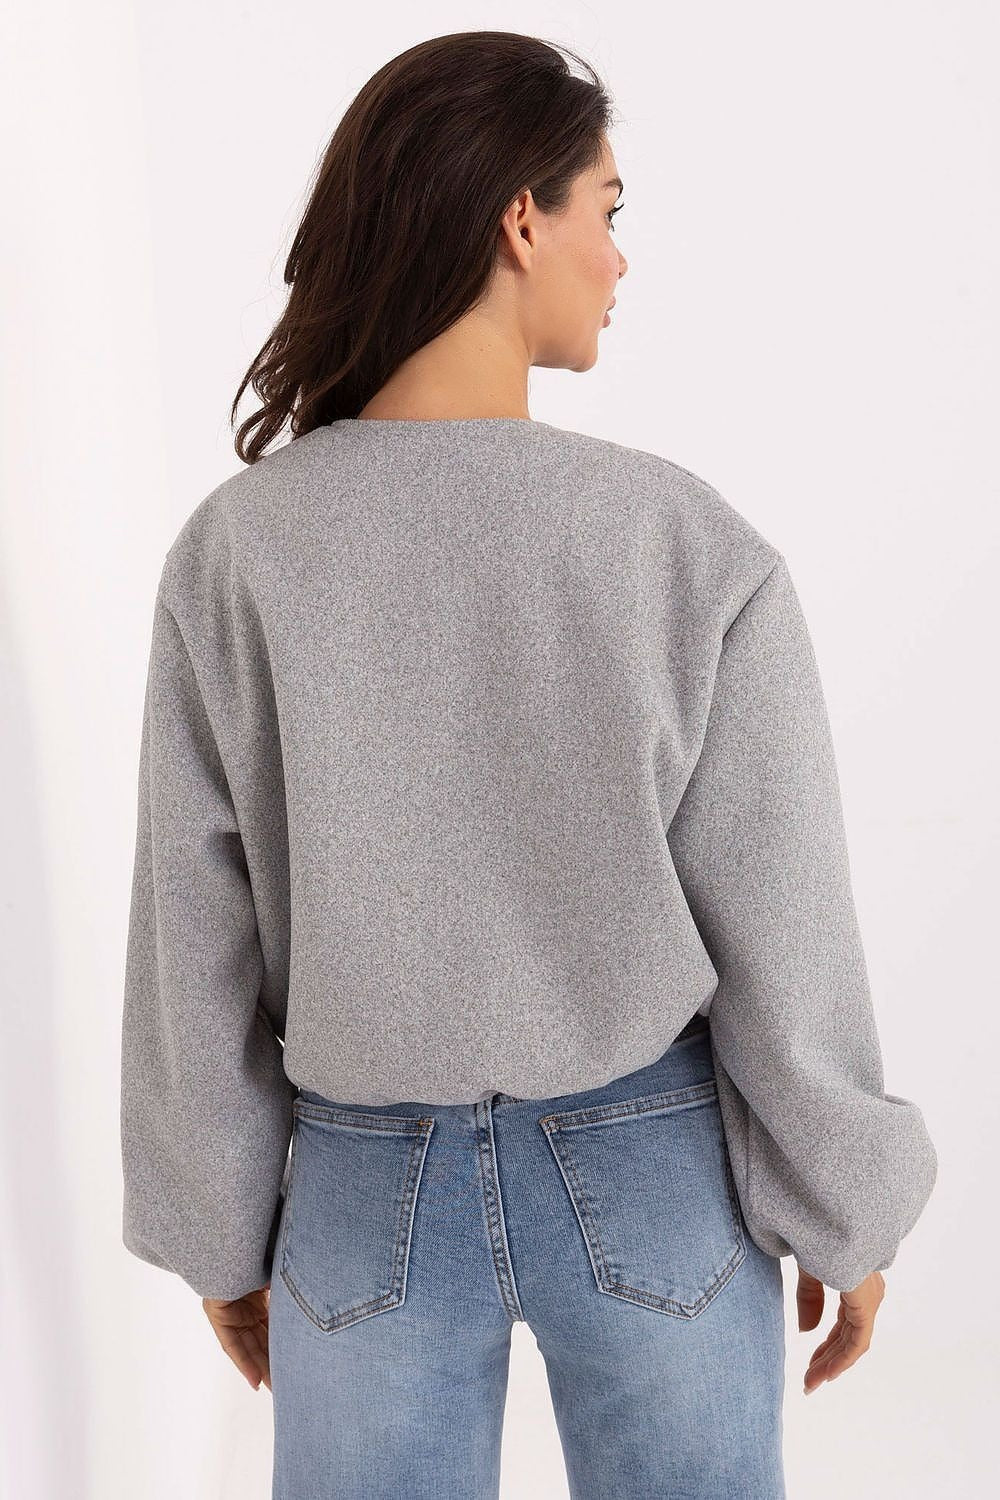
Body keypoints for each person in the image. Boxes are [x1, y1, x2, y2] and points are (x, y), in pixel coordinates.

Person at [119, 29, 938, 1500]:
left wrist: (220, 1234)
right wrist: (845, 1208)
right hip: (652, 1164)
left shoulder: (238, 554)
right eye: (606, 210)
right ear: (521, 219)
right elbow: (781, 919)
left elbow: (196, 937)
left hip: (363, 1192)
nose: (619, 258)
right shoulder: (681, 543)